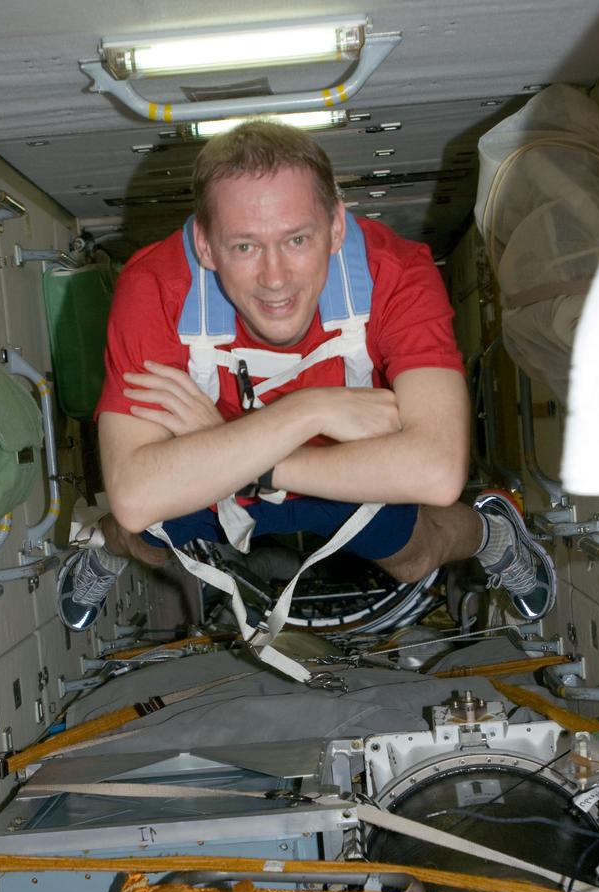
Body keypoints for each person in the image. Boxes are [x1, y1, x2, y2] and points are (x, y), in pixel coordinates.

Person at [57, 121, 554, 633]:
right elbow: (136, 495)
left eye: (297, 239)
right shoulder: (156, 288)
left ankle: (495, 536)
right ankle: (105, 550)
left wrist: (250, 459)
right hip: (210, 470)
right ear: (205, 246)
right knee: (139, 533)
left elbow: (437, 472)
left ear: (336, 227)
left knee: (415, 557)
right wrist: (311, 409)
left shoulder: (395, 273)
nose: (275, 278)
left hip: (335, 468)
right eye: (244, 247)